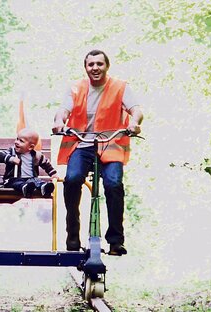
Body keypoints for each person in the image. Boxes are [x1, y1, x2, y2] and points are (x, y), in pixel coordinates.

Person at [52, 49, 143, 255]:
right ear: (85, 68)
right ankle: (73, 234)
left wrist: (134, 123)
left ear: (107, 66)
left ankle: (115, 241)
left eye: (99, 64)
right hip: (82, 144)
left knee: (113, 184)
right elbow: (63, 110)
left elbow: (136, 110)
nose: (95, 68)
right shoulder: (76, 88)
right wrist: (59, 122)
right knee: (73, 179)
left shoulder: (120, 87)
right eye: (91, 64)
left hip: (110, 144)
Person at [0, 128, 59, 197]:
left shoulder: (36, 155)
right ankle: (25, 188)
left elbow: (46, 164)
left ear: (30, 147)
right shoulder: (12, 151)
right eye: (17, 139)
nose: (16, 142)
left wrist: (53, 174)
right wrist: (11, 159)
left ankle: (44, 188)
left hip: (30, 180)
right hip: (13, 179)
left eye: (21, 141)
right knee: (17, 182)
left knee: (37, 181)